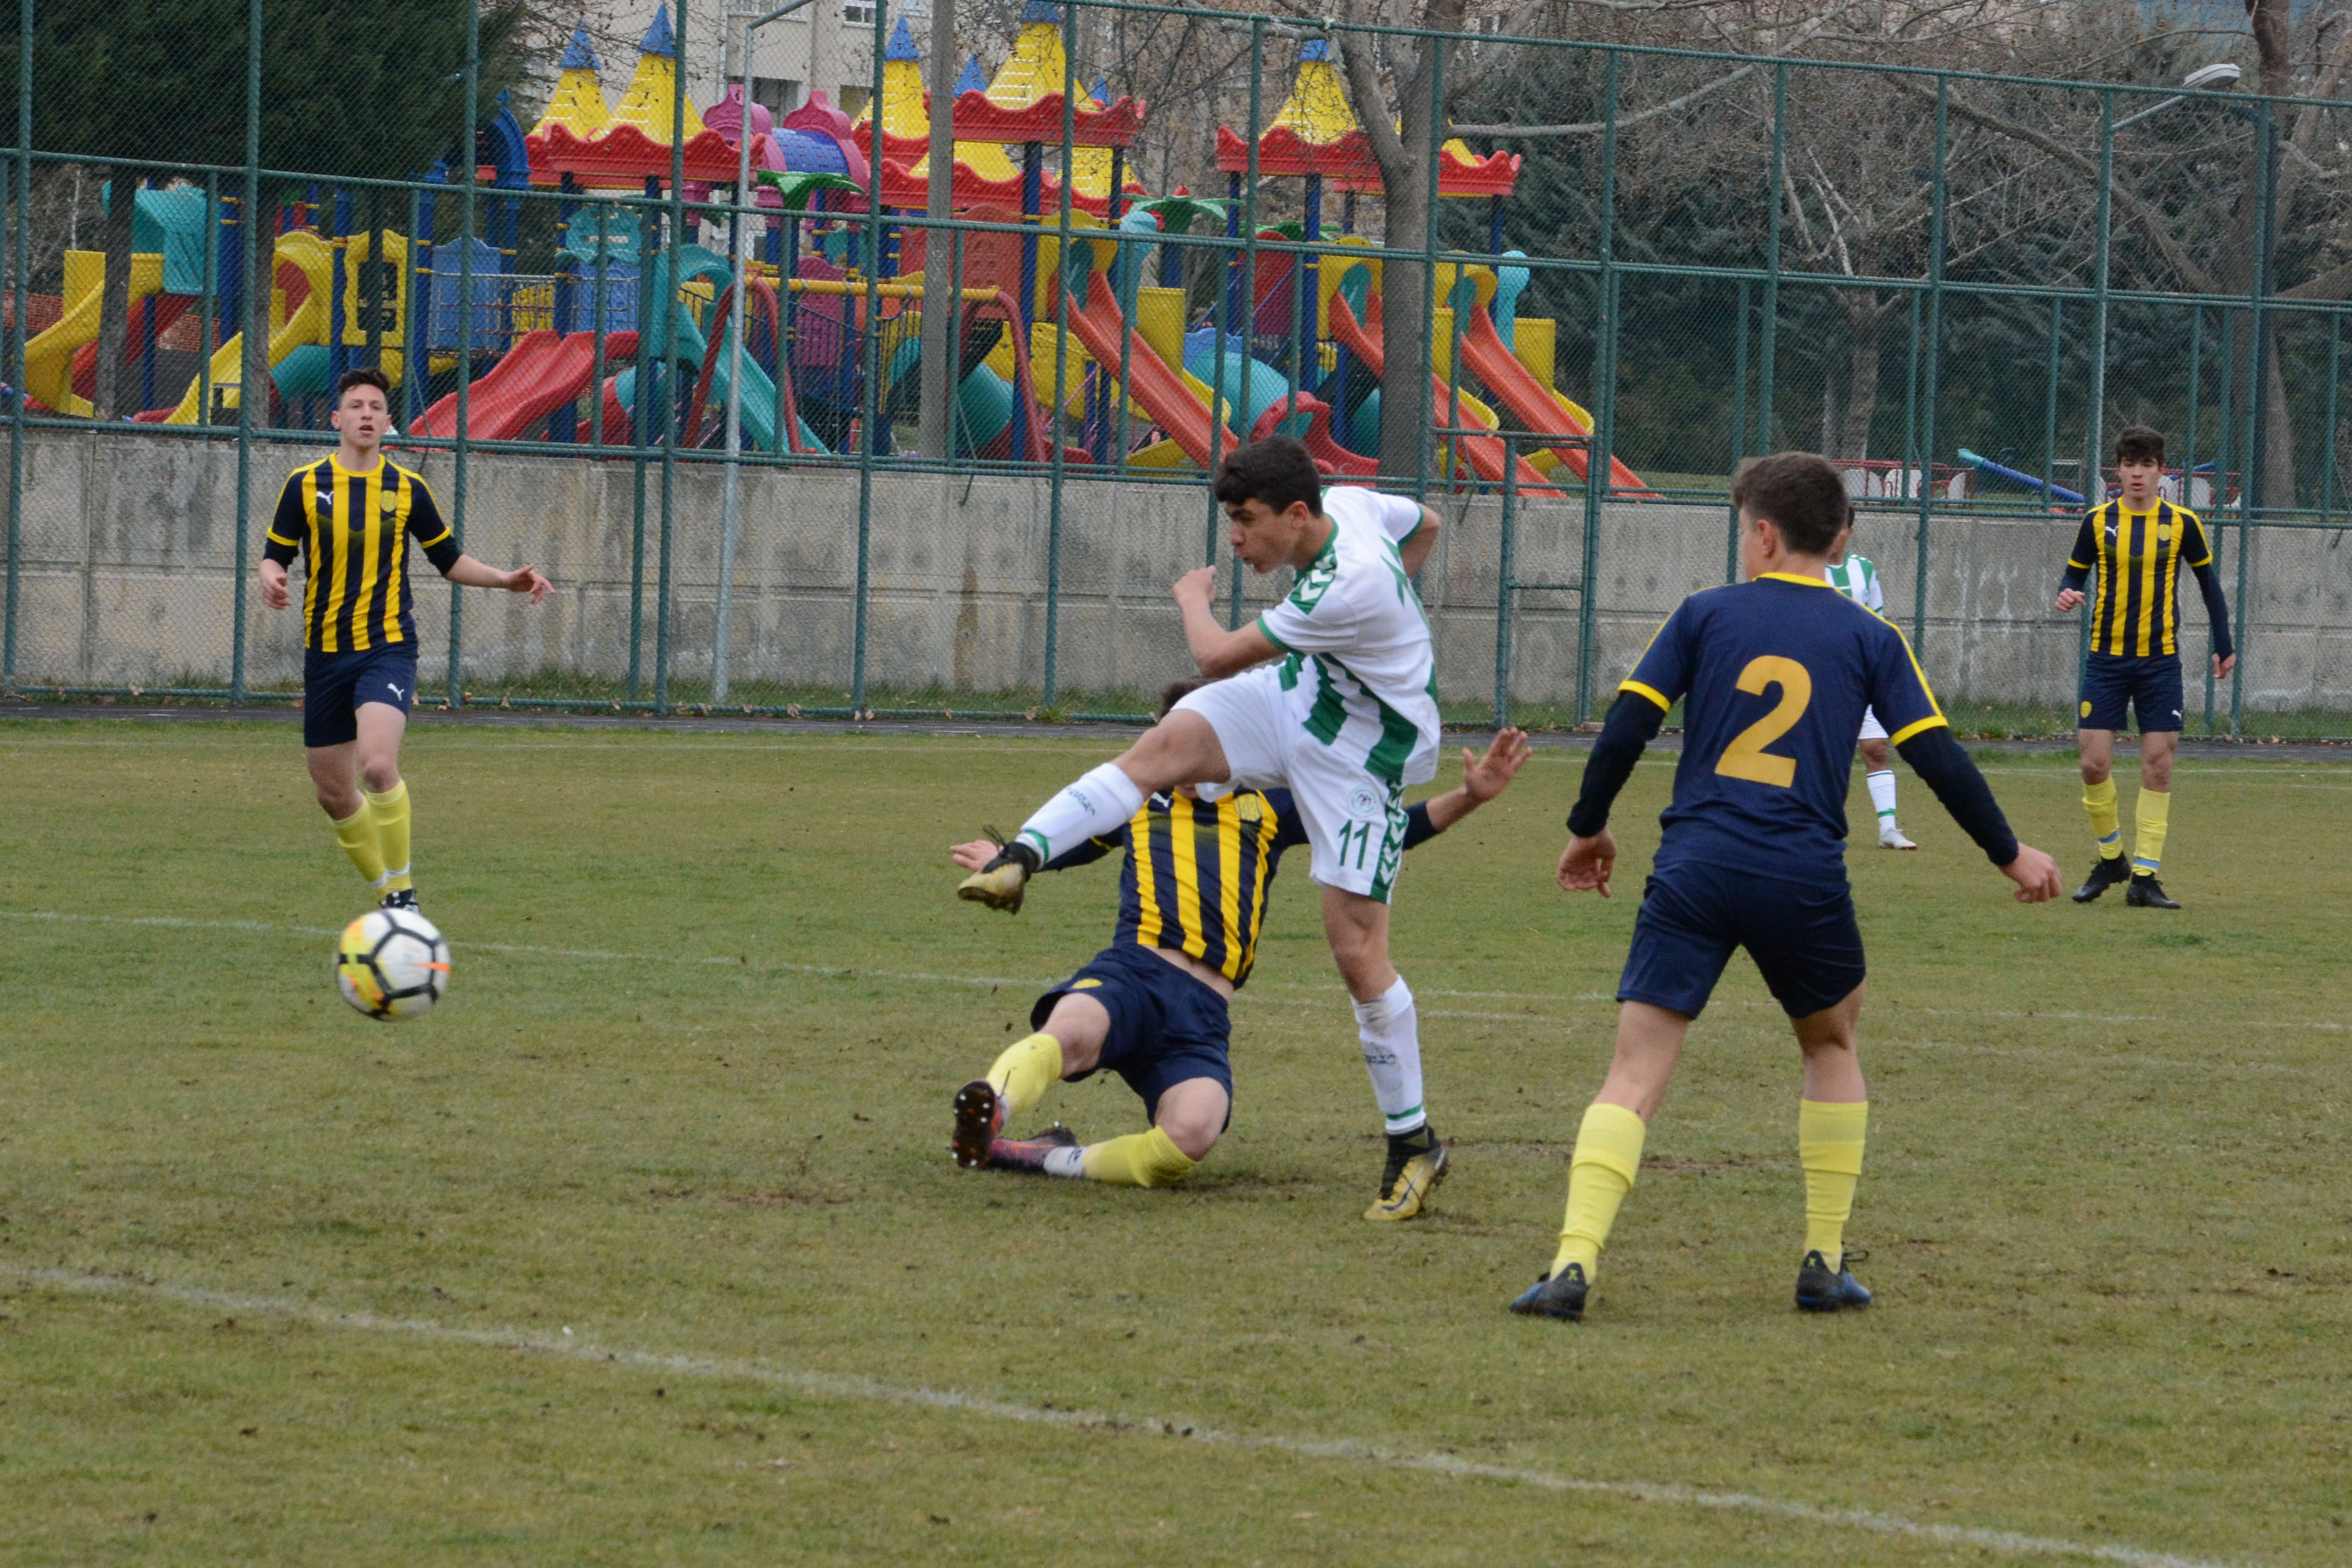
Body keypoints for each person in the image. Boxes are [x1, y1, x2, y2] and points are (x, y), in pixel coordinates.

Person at [1512, 451, 2061, 1324]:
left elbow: (1624, 728)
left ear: (1764, 534)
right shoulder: (1872, 637)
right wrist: (2008, 854)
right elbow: (1936, 754)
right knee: (1831, 1045)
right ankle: (1822, 1260)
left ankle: (1573, 1264)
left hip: (1694, 867)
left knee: (1636, 1068)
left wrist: (1588, 827)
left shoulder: (1702, 614)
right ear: (1840, 538)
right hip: (1801, 873)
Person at [956, 436, 1454, 1219]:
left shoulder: (1344, 585)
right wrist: (1378, 635)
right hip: (1294, 695)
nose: (1235, 539)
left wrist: (1190, 595)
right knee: (1162, 750)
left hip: (1359, 756)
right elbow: (1428, 521)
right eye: (1230, 520)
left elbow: (1218, 655)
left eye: (1246, 522)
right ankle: (1019, 855)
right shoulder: (1355, 504)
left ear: (1297, 515)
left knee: (1358, 955)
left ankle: (1413, 1143)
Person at [946, 696, 1529, 1199]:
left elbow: (1387, 828)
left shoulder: (1267, 807)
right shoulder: (1138, 802)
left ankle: (1032, 1156)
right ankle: (990, 1107)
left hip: (1202, 1016)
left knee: (1191, 1137)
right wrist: (1011, 860)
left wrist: (1470, 797)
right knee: (1069, 1034)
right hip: (1134, 973)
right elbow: (1065, 838)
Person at [259, 367, 552, 910]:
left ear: (388, 420)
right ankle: (387, 893)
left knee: (376, 766)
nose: (366, 414)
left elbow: (449, 560)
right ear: (337, 419)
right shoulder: (304, 485)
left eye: (375, 406)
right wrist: (270, 575)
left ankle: (403, 894)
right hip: (324, 655)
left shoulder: (407, 489)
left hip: (387, 646)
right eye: (355, 406)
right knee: (334, 794)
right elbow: (276, 553)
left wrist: (506, 580)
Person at [2053, 426, 2235, 910]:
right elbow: (2075, 572)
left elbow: (2209, 586)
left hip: (2160, 663)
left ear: (2161, 471)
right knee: (2093, 763)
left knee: (2158, 765)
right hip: (2107, 659)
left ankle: (2146, 878)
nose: (2138, 473)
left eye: (2147, 464)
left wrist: (2224, 643)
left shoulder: (2183, 524)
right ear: (2118, 470)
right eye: (2130, 465)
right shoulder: (2096, 522)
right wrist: (2067, 592)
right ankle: (2112, 858)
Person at [1824, 546, 1915, 850]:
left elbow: (1877, 621)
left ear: (1848, 531)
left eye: (1838, 527)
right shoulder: (1805, 566)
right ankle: (1812, 827)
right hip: (1822, 678)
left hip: (1862, 675)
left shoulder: (1864, 569)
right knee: (1821, 754)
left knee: (1876, 748)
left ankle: (1888, 829)